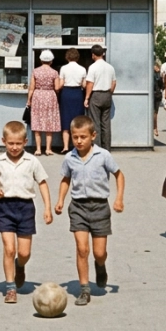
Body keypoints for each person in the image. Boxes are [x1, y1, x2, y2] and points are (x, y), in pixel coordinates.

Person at [54, 115, 125, 306]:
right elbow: (65, 179)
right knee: (82, 249)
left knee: (99, 252)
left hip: (100, 207)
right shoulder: (70, 158)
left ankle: (100, 266)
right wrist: (60, 199)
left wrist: (118, 199)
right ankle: (84, 289)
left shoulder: (103, 156)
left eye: (83, 137)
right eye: (75, 137)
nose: (78, 141)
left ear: (93, 135)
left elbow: (119, 175)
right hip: (78, 207)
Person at [0, 120, 52, 304]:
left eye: (18, 143)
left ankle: (20, 265)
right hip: (5, 207)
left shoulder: (32, 161)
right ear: (4, 141)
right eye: (11, 143)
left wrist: (47, 208)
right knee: (9, 249)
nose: (14, 147)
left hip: (26, 208)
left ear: (25, 142)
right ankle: (10, 288)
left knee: (24, 252)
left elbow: (42, 182)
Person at [26, 50, 61, 155]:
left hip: (38, 95)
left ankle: (38, 149)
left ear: (41, 60)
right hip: (50, 96)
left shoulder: (35, 71)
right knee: (49, 121)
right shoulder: (54, 72)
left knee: (37, 121)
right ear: (51, 61)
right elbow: (57, 88)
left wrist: (29, 100)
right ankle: (48, 149)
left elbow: (31, 88)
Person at [82, 45, 116, 148]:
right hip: (107, 95)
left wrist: (87, 98)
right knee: (106, 124)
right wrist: (109, 93)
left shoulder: (93, 67)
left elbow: (90, 84)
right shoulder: (110, 67)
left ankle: (96, 146)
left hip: (96, 95)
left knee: (95, 122)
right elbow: (114, 82)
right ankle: (107, 147)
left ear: (93, 55)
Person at [59, 48, 87, 153]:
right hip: (77, 94)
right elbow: (84, 85)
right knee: (78, 120)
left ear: (67, 57)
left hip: (66, 93)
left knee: (65, 120)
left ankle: (65, 147)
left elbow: (61, 84)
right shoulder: (83, 69)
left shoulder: (63, 68)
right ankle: (77, 146)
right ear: (77, 57)